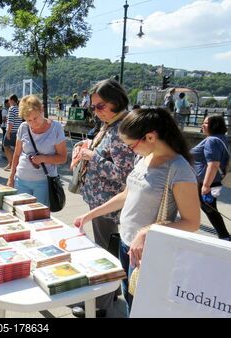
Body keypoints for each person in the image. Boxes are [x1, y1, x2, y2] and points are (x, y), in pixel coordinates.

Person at [74, 108, 200, 313]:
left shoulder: (178, 169)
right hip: (127, 244)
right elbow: (126, 195)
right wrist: (91, 214)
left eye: (131, 145)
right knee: (130, 298)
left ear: (150, 137)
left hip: (148, 251)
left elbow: (192, 222)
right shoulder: (143, 158)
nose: (130, 150)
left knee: (141, 306)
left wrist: (146, 231)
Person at [70, 79, 135, 316]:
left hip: (109, 206)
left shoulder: (121, 129)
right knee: (109, 250)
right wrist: (89, 147)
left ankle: (98, 305)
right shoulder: (113, 123)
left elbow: (123, 175)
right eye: (93, 107)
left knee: (104, 254)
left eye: (100, 106)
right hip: (102, 202)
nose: (95, 112)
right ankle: (111, 292)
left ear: (116, 102)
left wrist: (91, 155)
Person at [6, 95, 67, 205]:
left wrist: (43, 158)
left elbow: (62, 158)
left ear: (42, 110)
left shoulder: (56, 128)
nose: (33, 123)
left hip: (43, 182)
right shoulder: (23, 127)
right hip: (21, 179)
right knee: (20, 214)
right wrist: (11, 177)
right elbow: (17, 154)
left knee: (38, 218)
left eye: (35, 118)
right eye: (29, 120)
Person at [191, 115, 231, 241]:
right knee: (208, 207)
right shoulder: (219, 139)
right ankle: (224, 236)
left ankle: (224, 236)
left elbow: (213, 164)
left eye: (206, 123)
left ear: (215, 125)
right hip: (212, 180)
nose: (202, 125)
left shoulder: (212, 141)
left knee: (209, 208)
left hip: (207, 181)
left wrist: (206, 185)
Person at [3, 94, 21, 171]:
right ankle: (14, 164)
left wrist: (8, 133)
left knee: (6, 147)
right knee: (16, 149)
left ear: (12, 100)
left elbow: (10, 122)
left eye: (9, 100)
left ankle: (11, 164)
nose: (8, 102)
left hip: (12, 131)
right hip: (18, 132)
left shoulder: (12, 108)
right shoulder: (19, 109)